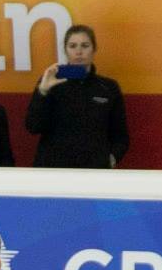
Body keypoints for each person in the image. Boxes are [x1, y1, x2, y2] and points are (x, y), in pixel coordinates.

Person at [27, 24, 130, 168]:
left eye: (85, 45)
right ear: (65, 50)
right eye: (73, 46)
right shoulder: (51, 81)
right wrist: (42, 92)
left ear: (94, 49)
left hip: (94, 173)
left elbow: (120, 136)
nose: (79, 51)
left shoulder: (108, 87)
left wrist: (110, 159)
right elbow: (33, 127)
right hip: (53, 170)